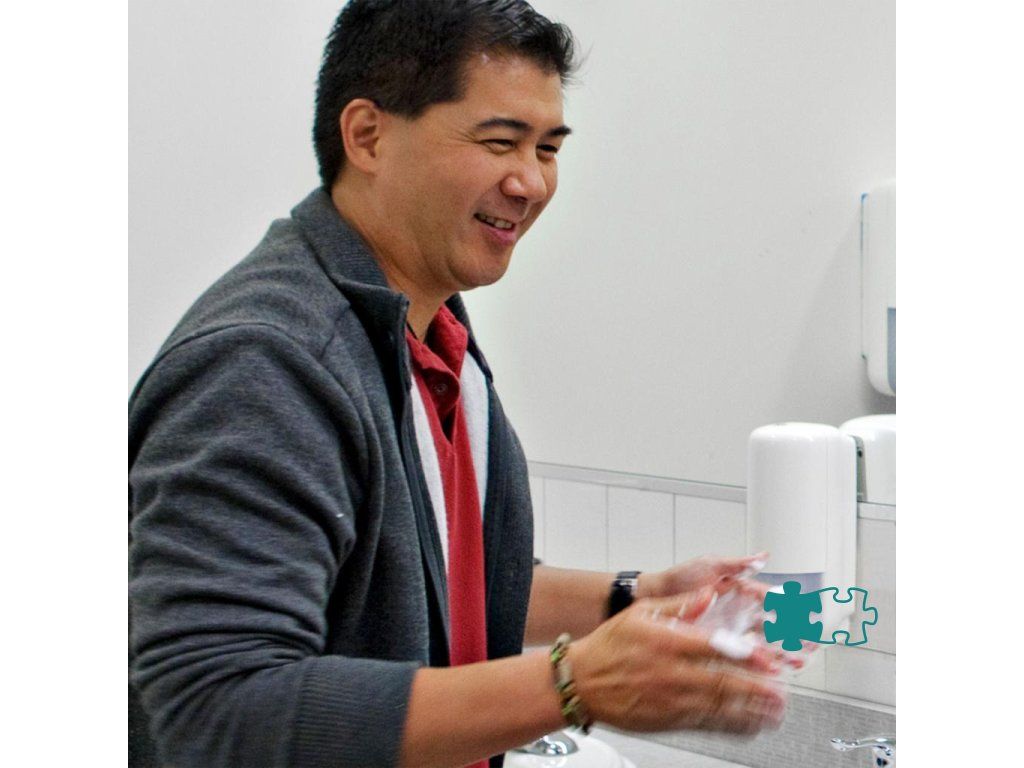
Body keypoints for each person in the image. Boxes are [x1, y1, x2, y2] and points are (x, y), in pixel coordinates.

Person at [128, 2, 787, 766]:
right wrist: (572, 684)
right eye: (499, 142)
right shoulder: (267, 363)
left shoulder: (431, 335)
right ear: (367, 136)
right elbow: (218, 711)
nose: (530, 182)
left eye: (548, 148)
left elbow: (433, 577)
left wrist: (636, 597)